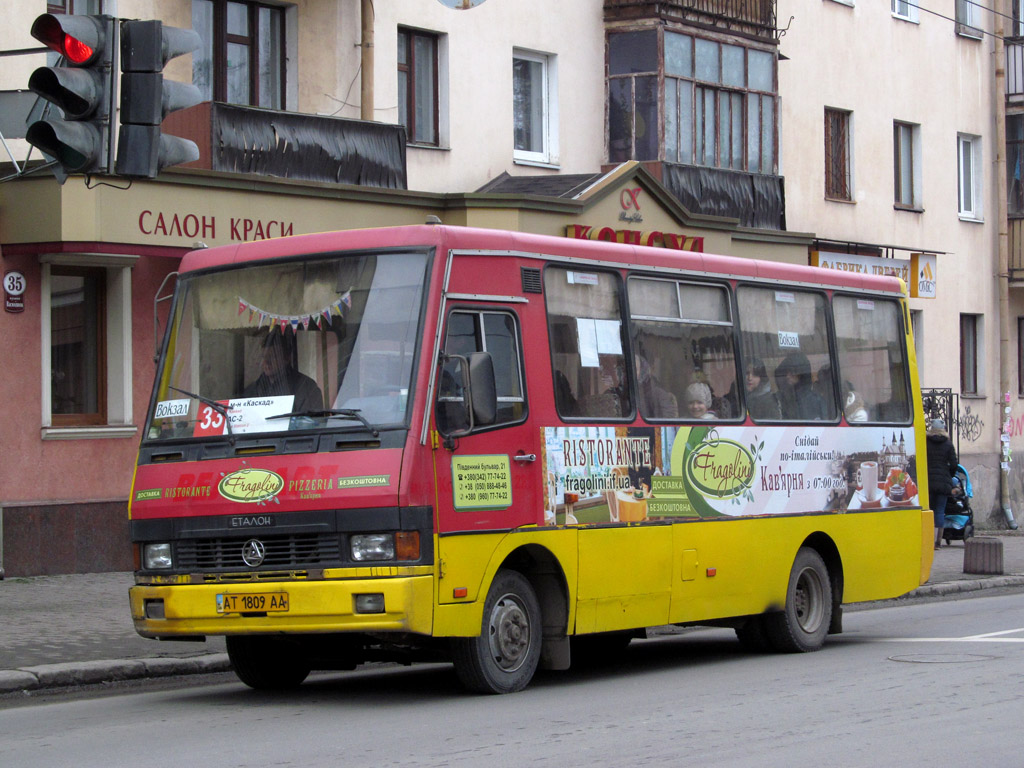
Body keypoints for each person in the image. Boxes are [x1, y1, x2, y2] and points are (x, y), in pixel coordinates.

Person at [244, 332, 323, 412]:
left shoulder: (306, 388)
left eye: (272, 356)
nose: (266, 362)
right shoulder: (253, 390)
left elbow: (311, 422)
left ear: (286, 358)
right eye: (264, 357)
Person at [926, 418, 958, 550]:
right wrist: (949, 475)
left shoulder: (925, 442)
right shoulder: (948, 444)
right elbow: (954, 464)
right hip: (943, 482)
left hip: (928, 481)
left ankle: (928, 539)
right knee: (940, 511)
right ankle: (937, 542)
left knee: (929, 510)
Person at [774, 352, 827, 420]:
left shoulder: (817, 401)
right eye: (786, 372)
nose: (787, 376)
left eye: (792, 372)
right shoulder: (779, 399)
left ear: (801, 375)